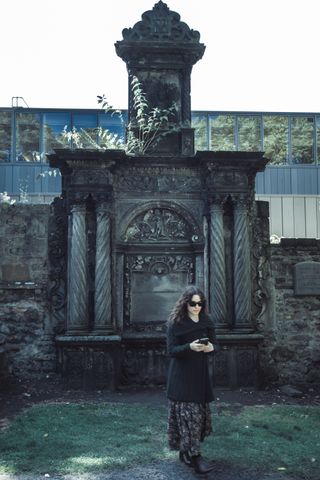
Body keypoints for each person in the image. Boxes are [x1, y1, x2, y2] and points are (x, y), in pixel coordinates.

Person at [166, 285, 219, 474]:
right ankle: (196, 459)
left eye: (200, 303)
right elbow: (171, 351)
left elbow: (216, 344)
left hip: (200, 377)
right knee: (190, 418)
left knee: (197, 419)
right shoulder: (176, 323)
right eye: (193, 303)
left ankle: (185, 451)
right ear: (185, 303)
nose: (197, 307)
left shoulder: (206, 320)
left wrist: (210, 348)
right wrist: (190, 347)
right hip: (182, 378)